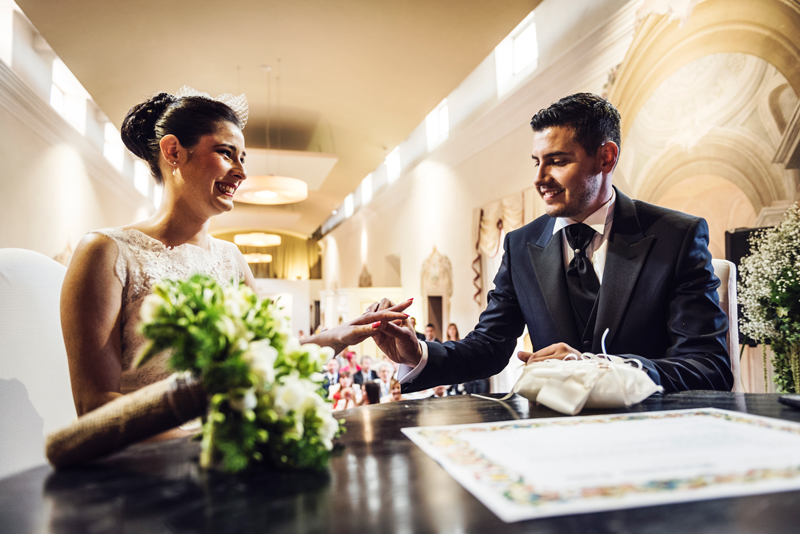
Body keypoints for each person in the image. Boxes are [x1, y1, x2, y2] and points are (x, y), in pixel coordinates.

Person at [60, 89, 411, 422]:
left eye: (242, 158)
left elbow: (273, 356)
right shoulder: (106, 253)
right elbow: (96, 405)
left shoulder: (230, 258)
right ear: (173, 152)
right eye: (226, 153)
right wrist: (199, 442)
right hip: (154, 463)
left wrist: (341, 334)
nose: (241, 172)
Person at [370, 93, 732, 394]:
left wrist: (596, 368)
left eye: (557, 161)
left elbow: (709, 366)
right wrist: (417, 352)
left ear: (606, 157)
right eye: (537, 162)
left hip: (654, 437)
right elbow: (490, 346)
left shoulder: (676, 236)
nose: (540, 179)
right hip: (551, 437)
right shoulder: (520, 245)